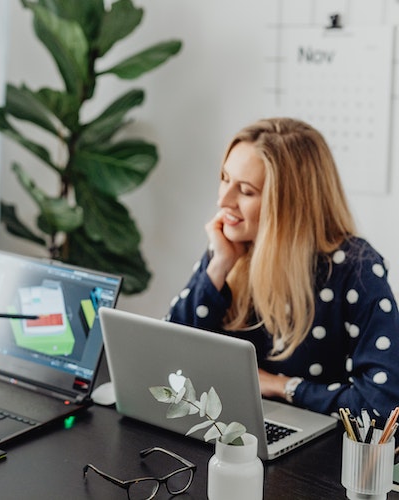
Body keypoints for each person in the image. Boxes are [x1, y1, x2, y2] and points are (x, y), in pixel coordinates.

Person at [167, 117, 399, 424]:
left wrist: (282, 386)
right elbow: (170, 362)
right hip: (225, 433)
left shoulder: (355, 268)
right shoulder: (228, 246)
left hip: (314, 459)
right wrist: (219, 266)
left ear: (290, 204)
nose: (223, 200)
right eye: (224, 178)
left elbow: (382, 408)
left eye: (246, 191)